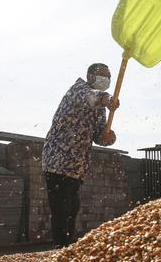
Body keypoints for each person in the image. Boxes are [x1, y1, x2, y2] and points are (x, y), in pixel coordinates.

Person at [42, 62, 119, 247]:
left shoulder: (100, 110)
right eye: (103, 75)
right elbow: (92, 97)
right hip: (58, 161)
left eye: (109, 76)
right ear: (90, 76)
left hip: (76, 166)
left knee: (72, 209)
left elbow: (98, 136)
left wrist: (108, 137)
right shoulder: (78, 90)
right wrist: (107, 99)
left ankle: (67, 247)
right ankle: (61, 248)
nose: (107, 79)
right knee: (61, 209)